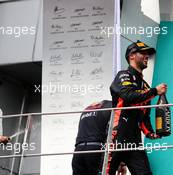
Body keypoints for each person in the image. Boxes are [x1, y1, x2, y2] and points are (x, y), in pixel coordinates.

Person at [109, 40, 167, 175]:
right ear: (131, 56)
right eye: (143, 53)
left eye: (148, 54)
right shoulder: (124, 75)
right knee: (106, 172)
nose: (147, 56)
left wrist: (150, 132)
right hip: (117, 136)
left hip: (134, 140)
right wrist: (154, 91)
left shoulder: (146, 86)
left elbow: (144, 114)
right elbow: (129, 96)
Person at [72, 100, 126, 175]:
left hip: (78, 151)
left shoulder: (88, 108)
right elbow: (115, 134)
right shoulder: (114, 107)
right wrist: (121, 162)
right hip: (96, 149)